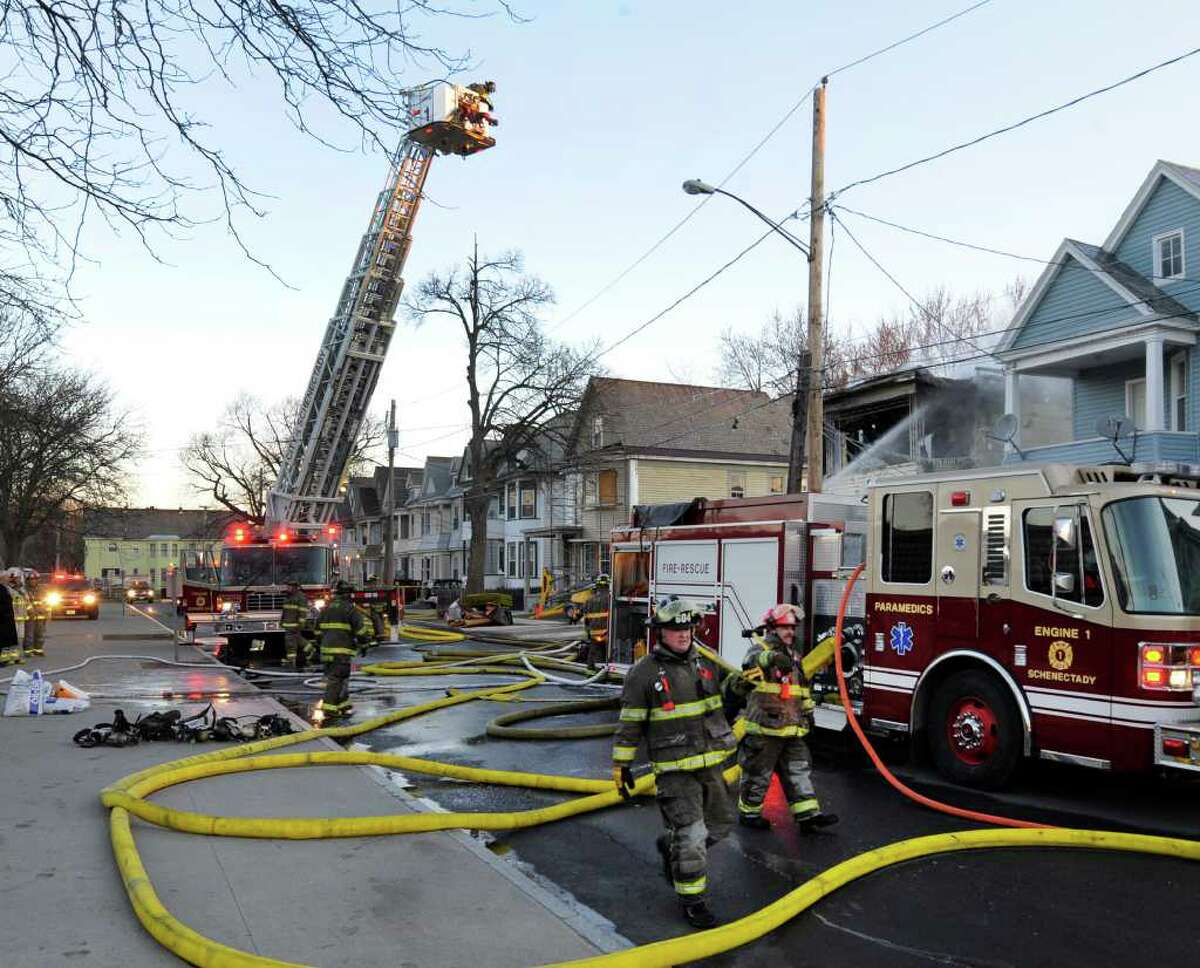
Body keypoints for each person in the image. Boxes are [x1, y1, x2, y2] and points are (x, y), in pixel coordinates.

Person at [612, 596, 754, 929]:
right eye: (675, 628)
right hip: (675, 771)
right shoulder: (643, 674)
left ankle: (672, 849)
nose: (683, 634)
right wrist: (622, 766)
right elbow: (630, 723)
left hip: (711, 765)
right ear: (660, 632)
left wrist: (739, 687)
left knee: (719, 826)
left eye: (688, 627)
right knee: (691, 834)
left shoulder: (706, 664)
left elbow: (721, 706)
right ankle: (693, 900)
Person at [736, 604, 839, 832]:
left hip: (792, 728)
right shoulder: (758, 650)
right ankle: (749, 814)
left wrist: (809, 714)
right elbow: (748, 668)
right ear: (772, 629)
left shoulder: (794, 656)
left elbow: (802, 690)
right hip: (765, 729)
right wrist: (770, 658)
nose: (791, 632)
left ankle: (808, 816)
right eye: (785, 628)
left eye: (792, 628)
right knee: (758, 774)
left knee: (798, 770)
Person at [317, 581, 369, 720]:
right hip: (341, 651)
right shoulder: (350, 609)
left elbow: (316, 629)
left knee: (340, 678)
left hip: (326, 650)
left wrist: (320, 645)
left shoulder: (327, 608)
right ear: (348, 594)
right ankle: (329, 708)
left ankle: (343, 704)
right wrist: (364, 644)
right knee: (337, 678)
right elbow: (361, 630)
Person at [580, 574, 611, 669]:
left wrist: (588, 631)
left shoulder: (590, 600)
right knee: (607, 656)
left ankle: (591, 674)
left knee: (593, 655)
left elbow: (583, 616)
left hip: (594, 634)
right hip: (607, 634)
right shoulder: (610, 599)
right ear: (608, 585)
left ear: (597, 585)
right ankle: (605, 672)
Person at [280, 582, 311, 670]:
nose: (287, 588)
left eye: (289, 586)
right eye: (287, 586)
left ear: (295, 587)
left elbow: (303, 612)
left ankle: (291, 662)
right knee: (295, 641)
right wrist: (282, 621)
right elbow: (285, 610)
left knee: (290, 644)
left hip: (294, 625)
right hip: (288, 625)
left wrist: (300, 625)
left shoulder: (300, 597)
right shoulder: (288, 596)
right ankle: (310, 649)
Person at [4, 572, 27, 665]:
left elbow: (25, 602)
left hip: (21, 619)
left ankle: (18, 657)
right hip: (12, 618)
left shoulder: (21, 590)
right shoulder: (8, 590)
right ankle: (10, 658)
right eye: (17, 578)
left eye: (19, 578)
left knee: (20, 638)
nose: (19, 580)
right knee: (12, 639)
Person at [23, 575, 46, 657]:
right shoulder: (24, 590)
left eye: (35, 579)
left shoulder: (41, 590)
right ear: (27, 580)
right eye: (31, 579)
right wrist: (30, 610)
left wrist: (47, 612)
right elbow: (25, 602)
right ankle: (28, 651)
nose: (33, 581)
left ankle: (38, 649)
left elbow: (46, 601)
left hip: (40, 615)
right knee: (29, 634)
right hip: (30, 616)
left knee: (40, 633)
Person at [0, 577, 18, 666]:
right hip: (4, 618)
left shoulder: (5, 589)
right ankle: (3, 660)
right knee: (3, 640)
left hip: (7, 618)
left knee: (7, 640)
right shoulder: (2, 590)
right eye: (6, 579)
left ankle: (6, 659)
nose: (8, 580)